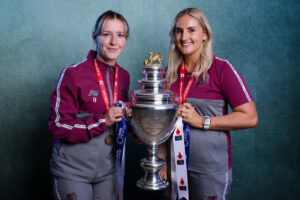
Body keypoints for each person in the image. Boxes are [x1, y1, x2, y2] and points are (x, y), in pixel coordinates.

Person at [163, 7, 258, 200]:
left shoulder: (222, 69)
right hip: (174, 169)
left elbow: (250, 117)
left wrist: (202, 121)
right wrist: (162, 159)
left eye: (191, 30)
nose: (184, 37)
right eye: (179, 31)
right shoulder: (168, 75)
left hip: (209, 172)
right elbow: (163, 124)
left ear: (205, 34)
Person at [48, 10, 130, 200]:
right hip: (72, 171)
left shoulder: (124, 76)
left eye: (120, 35)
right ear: (95, 37)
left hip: (108, 172)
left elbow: (120, 121)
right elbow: (58, 126)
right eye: (106, 34)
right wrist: (103, 120)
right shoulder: (72, 74)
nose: (113, 42)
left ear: (125, 39)